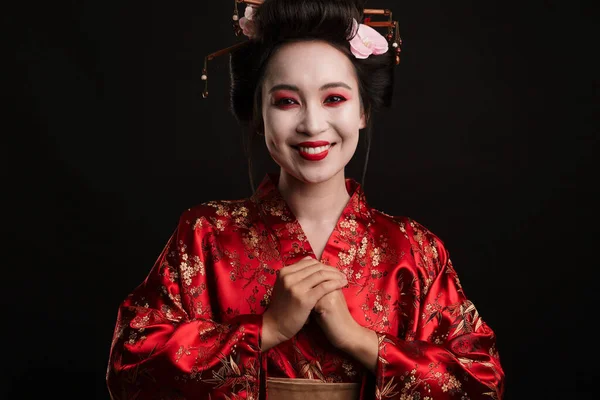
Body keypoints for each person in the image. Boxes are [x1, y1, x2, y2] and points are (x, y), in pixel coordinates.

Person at [106, 0, 505, 399]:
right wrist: (266, 329)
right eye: (286, 101)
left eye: (334, 98)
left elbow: (481, 383)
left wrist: (357, 339)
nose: (313, 124)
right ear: (259, 116)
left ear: (364, 110)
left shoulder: (414, 249)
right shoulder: (205, 234)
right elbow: (131, 367)